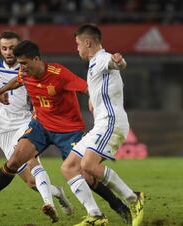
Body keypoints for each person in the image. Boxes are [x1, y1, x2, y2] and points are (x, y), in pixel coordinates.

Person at [0, 40, 132, 224]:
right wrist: (2, 90)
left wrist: (93, 99)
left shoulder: (59, 73)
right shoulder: (25, 73)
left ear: (36, 59)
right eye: (20, 64)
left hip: (69, 130)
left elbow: (86, 87)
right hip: (42, 126)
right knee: (14, 160)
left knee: (85, 174)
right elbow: (18, 80)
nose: (22, 68)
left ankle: (119, 207)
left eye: (24, 63)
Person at [0, 31, 73, 222]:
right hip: (2, 131)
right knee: (30, 181)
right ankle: (58, 193)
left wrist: (38, 111)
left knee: (32, 161)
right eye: (4, 48)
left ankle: (48, 204)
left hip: (24, 123)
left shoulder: (27, 69)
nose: (8, 52)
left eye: (12, 48)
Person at [59, 23, 145, 226]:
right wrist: (93, 98)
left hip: (111, 122)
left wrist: (119, 60)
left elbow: (116, 64)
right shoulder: (94, 64)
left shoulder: (103, 59)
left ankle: (134, 198)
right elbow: (104, 81)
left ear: (87, 42)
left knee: (88, 165)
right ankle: (95, 215)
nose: (77, 49)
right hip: (101, 124)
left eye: (78, 44)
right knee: (69, 167)